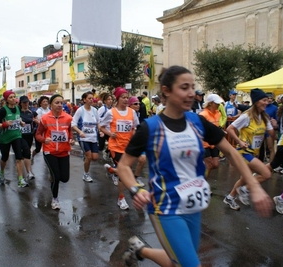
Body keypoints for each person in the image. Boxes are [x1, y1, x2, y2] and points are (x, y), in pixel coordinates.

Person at [116, 66, 272, 267]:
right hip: (166, 208)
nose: (191, 93)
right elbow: (123, 166)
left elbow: (232, 152)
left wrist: (254, 185)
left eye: (192, 87)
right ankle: (141, 250)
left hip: (194, 205)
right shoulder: (151, 127)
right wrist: (136, 190)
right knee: (190, 264)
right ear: (166, 91)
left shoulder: (197, 122)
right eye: (184, 87)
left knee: (180, 261)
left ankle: (140, 250)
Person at [223, 89, 277, 210]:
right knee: (266, 174)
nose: (266, 103)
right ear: (257, 102)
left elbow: (272, 135)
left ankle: (230, 198)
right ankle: (245, 189)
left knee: (244, 178)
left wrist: (275, 126)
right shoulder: (246, 116)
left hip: (254, 153)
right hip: (244, 152)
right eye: (264, 100)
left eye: (267, 100)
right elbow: (230, 129)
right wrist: (239, 141)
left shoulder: (264, 117)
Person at [100, 87, 140, 210]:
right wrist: (110, 133)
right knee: (124, 172)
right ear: (117, 99)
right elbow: (101, 126)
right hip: (115, 146)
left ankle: (112, 170)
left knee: (124, 170)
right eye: (123, 97)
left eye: (127, 97)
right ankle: (121, 199)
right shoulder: (111, 112)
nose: (126, 99)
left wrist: (135, 137)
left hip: (128, 147)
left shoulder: (131, 112)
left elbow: (134, 128)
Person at [35, 94, 74, 210]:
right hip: (49, 151)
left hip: (64, 151)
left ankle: (53, 175)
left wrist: (71, 139)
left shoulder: (68, 118)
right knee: (56, 177)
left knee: (65, 178)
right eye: (57, 103)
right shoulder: (45, 118)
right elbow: (37, 134)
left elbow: (70, 132)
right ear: (51, 104)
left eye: (61, 103)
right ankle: (55, 199)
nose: (60, 105)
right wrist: (44, 140)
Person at [0, 91, 28, 187]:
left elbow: (17, 118)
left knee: (19, 157)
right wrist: (5, 124)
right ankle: (1, 172)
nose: (13, 99)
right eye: (11, 97)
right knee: (5, 158)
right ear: (6, 100)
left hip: (16, 135)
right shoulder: (3, 110)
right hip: (5, 138)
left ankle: (20, 179)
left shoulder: (18, 108)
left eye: (14, 96)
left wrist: (21, 122)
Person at [72, 91, 99, 182]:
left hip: (93, 137)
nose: (91, 100)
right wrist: (80, 132)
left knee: (95, 157)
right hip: (83, 138)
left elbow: (98, 123)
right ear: (84, 100)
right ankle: (86, 174)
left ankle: (86, 157)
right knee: (89, 157)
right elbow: (73, 124)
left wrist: (101, 131)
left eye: (92, 98)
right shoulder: (80, 110)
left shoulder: (95, 110)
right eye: (89, 98)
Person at [199, 94, 224, 178]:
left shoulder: (218, 113)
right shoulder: (203, 114)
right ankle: (203, 185)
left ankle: (200, 173)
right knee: (208, 165)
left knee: (215, 164)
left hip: (214, 143)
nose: (218, 105)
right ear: (210, 103)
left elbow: (216, 127)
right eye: (216, 103)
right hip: (205, 143)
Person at [19, 95, 37, 180]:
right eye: (24, 102)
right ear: (21, 103)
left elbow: (38, 121)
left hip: (30, 135)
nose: (26, 104)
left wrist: (37, 121)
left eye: (27, 102)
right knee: (26, 151)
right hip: (20, 135)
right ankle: (29, 172)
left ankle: (22, 168)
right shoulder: (18, 112)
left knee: (26, 152)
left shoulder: (32, 112)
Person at [32, 96, 50, 163]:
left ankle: (48, 161)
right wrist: (42, 124)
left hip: (47, 131)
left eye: (46, 101)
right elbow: (36, 120)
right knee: (38, 149)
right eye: (44, 102)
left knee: (48, 147)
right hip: (39, 131)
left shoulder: (49, 110)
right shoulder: (39, 110)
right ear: (40, 104)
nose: (45, 103)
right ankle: (32, 156)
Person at [97, 92, 113, 161]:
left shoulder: (113, 109)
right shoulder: (102, 109)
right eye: (108, 99)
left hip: (110, 131)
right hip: (103, 130)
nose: (110, 100)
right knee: (101, 146)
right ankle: (96, 155)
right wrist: (100, 131)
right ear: (105, 101)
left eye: (111, 99)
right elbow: (97, 119)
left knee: (112, 145)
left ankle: (106, 153)